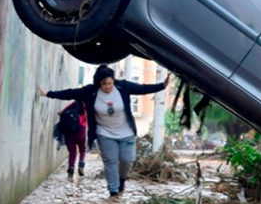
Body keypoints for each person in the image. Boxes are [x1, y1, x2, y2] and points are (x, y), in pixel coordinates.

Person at [39, 65, 170, 197]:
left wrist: (162, 86)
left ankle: (121, 181)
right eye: (104, 84)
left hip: (126, 132)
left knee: (127, 159)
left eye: (110, 83)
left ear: (113, 81)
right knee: (110, 161)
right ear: (98, 83)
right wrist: (49, 94)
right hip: (105, 133)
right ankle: (113, 192)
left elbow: (142, 88)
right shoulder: (90, 92)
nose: (107, 87)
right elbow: (71, 93)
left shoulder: (122, 87)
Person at [58, 100, 87, 176]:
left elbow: (60, 113)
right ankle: (81, 164)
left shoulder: (71, 104)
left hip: (69, 131)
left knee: (72, 152)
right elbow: (87, 118)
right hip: (80, 130)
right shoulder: (85, 105)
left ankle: (71, 168)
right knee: (82, 149)